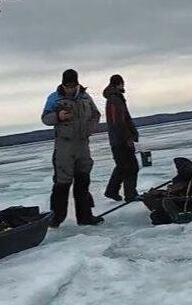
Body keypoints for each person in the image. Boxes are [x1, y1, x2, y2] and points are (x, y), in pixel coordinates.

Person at [41, 69, 104, 227]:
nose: (70, 88)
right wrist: (58, 116)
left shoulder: (85, 96)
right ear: (62, 84)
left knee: (83, 180)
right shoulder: (54, 98)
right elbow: (45, 118)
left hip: (82, 144)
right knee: (62, 183)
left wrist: (90, 129)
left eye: (72, 85)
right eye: (67, 85)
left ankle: (85, 217)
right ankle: (55, 219)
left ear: (77, 83)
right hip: (64, 145)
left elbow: (96, 114)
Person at [103, 74, 140, 202]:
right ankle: (130, 194)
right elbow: (119, 121)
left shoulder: (115, 98)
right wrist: (128, 137)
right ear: (120, 83)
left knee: (122, 166)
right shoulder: (115, 99)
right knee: (131, 166)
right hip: (120, 140)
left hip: (117, 139)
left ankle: (111, 191)